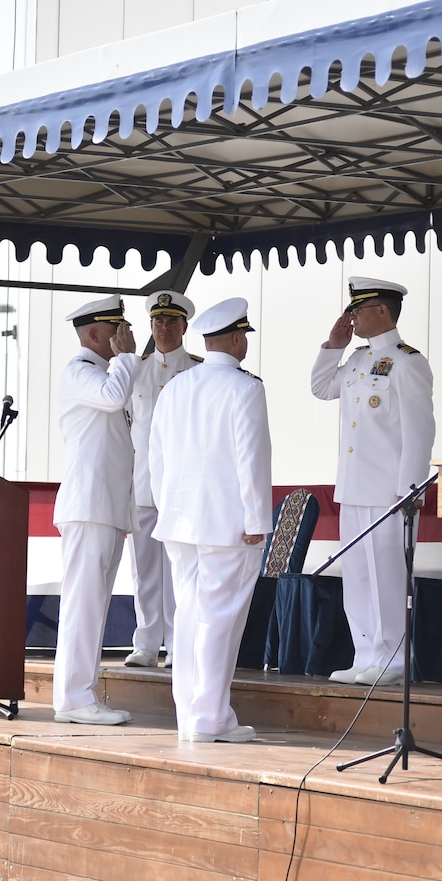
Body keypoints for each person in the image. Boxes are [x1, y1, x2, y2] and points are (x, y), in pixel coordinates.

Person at [149, 297, 272, 742]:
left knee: (189, 617)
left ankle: (192, 716)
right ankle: (211, 718)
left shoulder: (177, 386)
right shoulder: (245, 388)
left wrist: (169, 510)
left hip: (180, 523)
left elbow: (156, 459)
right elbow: (251, 459)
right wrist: (259, 517)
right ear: (237, 339)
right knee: (220, 619)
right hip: (228, 525)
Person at [310, 276, 435, 688]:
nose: (351, 317)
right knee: (359, 576)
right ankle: (366, 654)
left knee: (386, 577)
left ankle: (393, 658)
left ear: (382, 311)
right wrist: (334, 345)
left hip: (388, 492)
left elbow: (419, 428)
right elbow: (321, 388)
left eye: (357, 310)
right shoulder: (358, 360)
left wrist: (411, 487)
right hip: (353, 487)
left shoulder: (407, 361)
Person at [52, 292, 140, 726]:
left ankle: (80, 693)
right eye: (116, 329)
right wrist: (126, 358)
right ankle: (72, 697)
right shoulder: (81, 372)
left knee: (94, 604)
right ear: (94, 334)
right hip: (88, 507)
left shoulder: (105, 373)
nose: (124, 336)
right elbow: (112, 397)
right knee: (82, 603)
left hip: (105, 508)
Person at [125, 291, 201, 669]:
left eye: (172, 321)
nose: (164, 328)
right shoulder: (135, 370)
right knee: (143, 568)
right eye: (158, 321)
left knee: (178, 570)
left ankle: (176, 641)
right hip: (142, 484)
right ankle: (146, 641)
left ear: (185, 326)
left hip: (180, 488)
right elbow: (124, 428)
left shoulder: (198, 370)